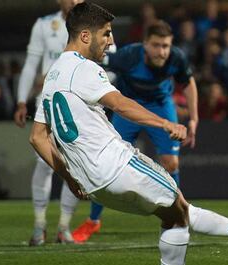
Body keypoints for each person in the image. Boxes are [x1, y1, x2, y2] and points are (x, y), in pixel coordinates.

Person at [30, 2, 228, 265]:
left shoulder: (53, 75)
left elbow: (37, 138)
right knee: (181, 211)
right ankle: (227, 248)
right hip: (117, 166)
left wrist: (69, 177)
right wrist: (165, 123)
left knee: (172, 214)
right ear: (84, 36)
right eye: (105, 34)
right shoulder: (84, 68)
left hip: (92, 183)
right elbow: (121, 105)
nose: (110, 40)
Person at [72, 19, 199, 243]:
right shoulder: (128, 56)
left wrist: (194, 118)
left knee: (172, 164)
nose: (162, 52)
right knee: (106, 163)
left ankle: (177, 217)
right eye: (157, 45)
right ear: (145, 44)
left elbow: (188, 83)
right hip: (128, 107)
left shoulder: (176, 57)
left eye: (166, 46)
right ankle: (93, 221)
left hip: (161, 105)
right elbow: (95, 60)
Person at [14, 0, 83, 246]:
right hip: (49, 99)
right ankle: (39, 225)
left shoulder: (94, 23)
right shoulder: (44, 25)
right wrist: (21, 100)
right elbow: (32, 63)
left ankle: (64, 227)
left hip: (80, 101)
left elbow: (107, 62)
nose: (74, 1)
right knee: (44, 162)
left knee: (75, 164)